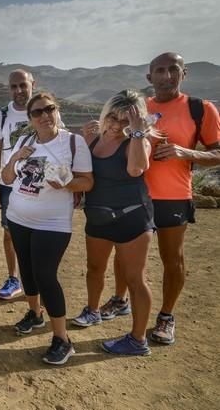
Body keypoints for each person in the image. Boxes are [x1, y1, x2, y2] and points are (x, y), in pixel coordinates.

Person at [92, 53, 220, 346]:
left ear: (183, 73)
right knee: (124, 257)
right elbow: (113, 135)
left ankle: (165, 316)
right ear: (149, 77)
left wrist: (186, 152)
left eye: (173, 69)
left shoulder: (201, 109)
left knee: (172, 259)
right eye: (159, 71)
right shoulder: (137, 107)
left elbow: (217, 152)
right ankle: (120, 299)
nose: (166, 76)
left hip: (172, 196)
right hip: (133, 195)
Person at [1, 92, 93, 365]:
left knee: (45, 274)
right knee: (27, 271)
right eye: (37, 112)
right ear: (30, 119)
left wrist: (66, 183)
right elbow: (7, 177)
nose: (44, 116)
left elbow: (87, 182)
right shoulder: (26, 141)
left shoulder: (73, 143)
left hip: (52, 223)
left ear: (57, 110)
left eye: (49, 109)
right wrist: (14, 158)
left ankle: (62, 339)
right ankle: (35, 314)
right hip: (18, 217)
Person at [72, 90, 155, 356]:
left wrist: (138, 133)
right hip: (97, 216)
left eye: (125, 120)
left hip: (131, 217)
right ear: (105, 113)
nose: (117, 125)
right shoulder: (94, 138)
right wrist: (86, 140)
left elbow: (135, 169)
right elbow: (83, 172)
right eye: (112, 117)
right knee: (94, 268)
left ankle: (138, 340)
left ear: (136, 120)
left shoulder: (139, 141)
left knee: (135, 279)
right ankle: (93, 311)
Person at [0, 69, 36, 300]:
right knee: (10, 232)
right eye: (14, 86)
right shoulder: (2, 115)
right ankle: (13, 278)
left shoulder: (42, 109)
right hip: (9, 183)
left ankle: (37, 278)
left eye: (22, 85)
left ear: (32, 84)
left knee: (38, 232)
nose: (18, 91)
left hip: (38, 181)